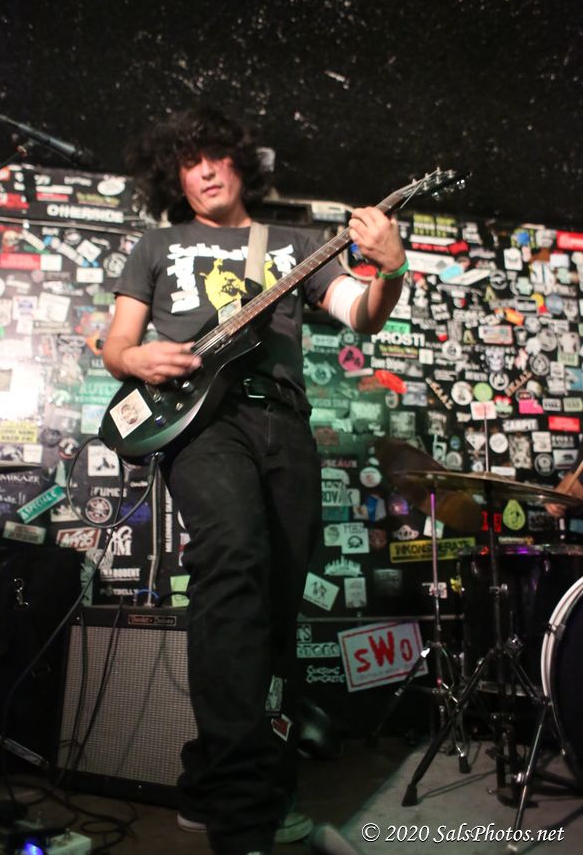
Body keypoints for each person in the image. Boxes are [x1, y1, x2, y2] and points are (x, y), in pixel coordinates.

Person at [102, 106, 407, 855]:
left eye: (216, 155)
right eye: (189, 161)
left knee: (274, 600)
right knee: (234, 560)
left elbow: (360, 314)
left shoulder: (296, 246)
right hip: (203, 421)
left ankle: (210, 781)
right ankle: (244, 814)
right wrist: (138, 359)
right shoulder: (157, 245)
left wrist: (392, 269)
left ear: (241, 164)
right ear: (175, 177)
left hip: (285, 424)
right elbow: (117, 345)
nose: (205, 170)